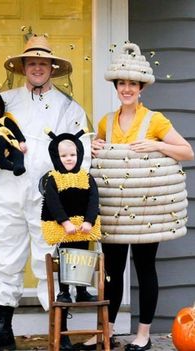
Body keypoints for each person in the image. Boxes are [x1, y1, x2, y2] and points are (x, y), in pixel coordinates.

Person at [73, 42, 194, 351]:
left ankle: (143, 334)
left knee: (144, 267)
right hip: (113, 209)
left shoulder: (155, 121)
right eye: (122, 83)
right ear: (117, 86)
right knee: (112, 271)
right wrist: (94, 146)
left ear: (141, 87)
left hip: (145, 211)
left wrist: (158, 146)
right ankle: (107, 331)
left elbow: (187, 151)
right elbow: (95, 158)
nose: (127, 89)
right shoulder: (105, 121)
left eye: (132, 84)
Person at [0, 34, 91, 351]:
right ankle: (2, 330)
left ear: (52, 68)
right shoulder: (4, 102)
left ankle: (59, 334)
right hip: (7, 195)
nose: (37, 67)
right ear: (23, 66)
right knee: (4, 259)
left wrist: (69, 190)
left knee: (50, 262)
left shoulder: (69, 108)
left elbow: (83, 151)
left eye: (43, 62)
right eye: (31, 62)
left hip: (48, 201)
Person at [40, 130, 101, 349]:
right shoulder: (53, 179)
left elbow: (93, 200)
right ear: (57, 157)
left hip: (83, 227)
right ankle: (65, 291)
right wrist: (64, 222)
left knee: (83, 256)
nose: (68, 159)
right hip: (65, 229)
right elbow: (53, 202)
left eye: (73, 155)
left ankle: (82, 289)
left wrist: (89, 221)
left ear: (79, 155)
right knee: (66, 258)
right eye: (64, 155)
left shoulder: (86, 177)